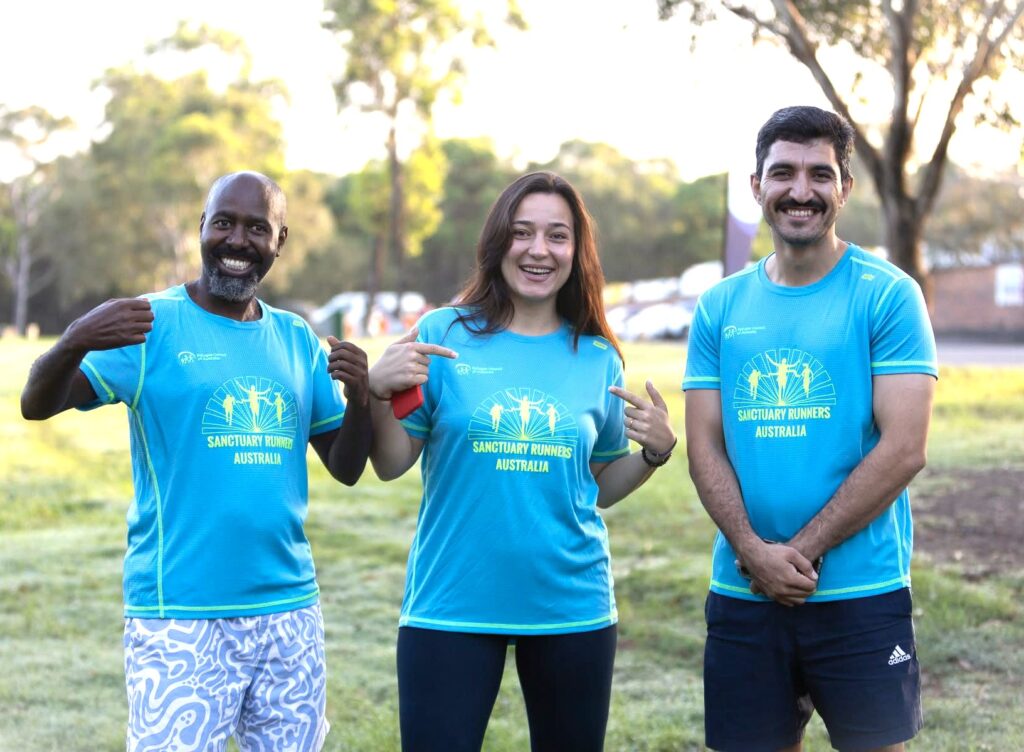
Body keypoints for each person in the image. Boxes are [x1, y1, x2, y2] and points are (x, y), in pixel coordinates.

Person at [20, 171, 372, 751]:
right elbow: (37, 404)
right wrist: (76, 337)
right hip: (179, 611)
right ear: (201, 229)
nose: (238, 240)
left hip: (289, 611)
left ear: (280, 240)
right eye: (224, 223)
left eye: (258, 228)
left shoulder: (296, 338)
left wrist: (360, 400)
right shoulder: (148, 324)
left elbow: (346, 464)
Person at [366, 171, 677, 752]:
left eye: (557, 236)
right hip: (451, 602)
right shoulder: (440, 335)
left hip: (571, 605)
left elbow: (602, 485)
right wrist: (376, 393)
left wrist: (655, 452)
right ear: (497, 242)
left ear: (576, 251)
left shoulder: (597, 356)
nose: (539, 250)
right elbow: (390, 463)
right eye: (522, 232)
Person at [683, 106, 938, 752]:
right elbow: (705, 444)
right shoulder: (719, 306)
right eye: (784, 173)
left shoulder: (888, 295)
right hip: (743, 591)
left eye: (819, 175)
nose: (801, 191)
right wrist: (753, 551)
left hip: (861, 592)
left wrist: (799, 551)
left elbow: (905, 448)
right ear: (757, 186)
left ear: (844, 188)